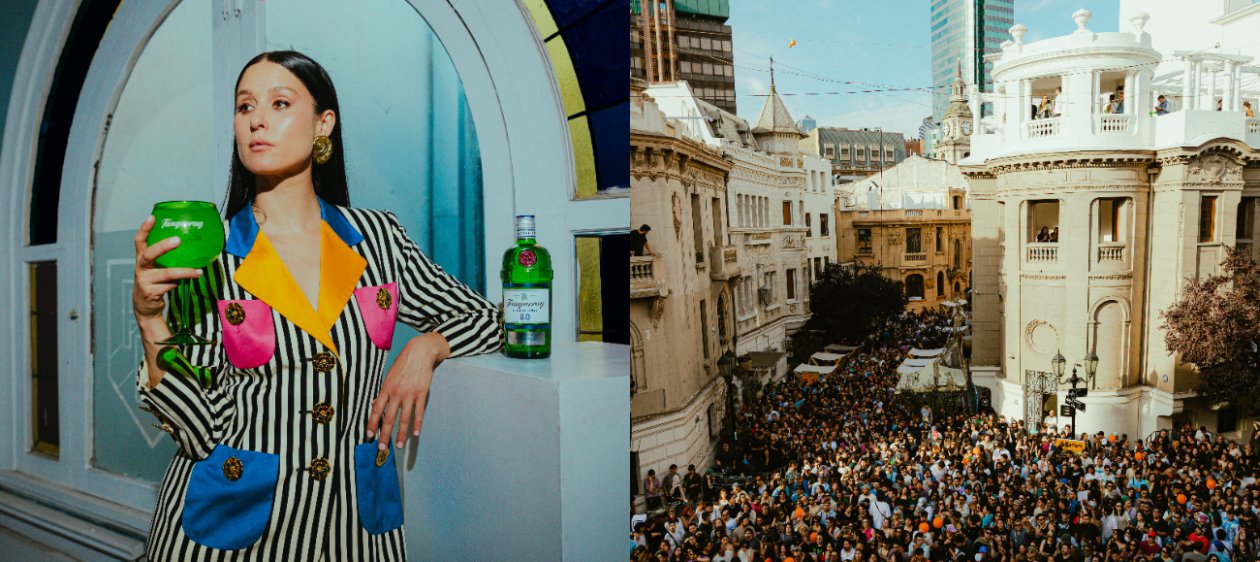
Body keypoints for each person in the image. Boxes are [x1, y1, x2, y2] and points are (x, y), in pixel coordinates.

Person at [131, 51, 502, 561]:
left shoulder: (377, 239)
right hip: (230, 534)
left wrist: (427, 346)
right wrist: (151, 321)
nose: (256, 119)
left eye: (279, 102)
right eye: (244, 107)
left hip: (351, 529)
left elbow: (488, 319)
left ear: (323, 122)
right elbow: (199, 432)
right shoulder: (211, 254)